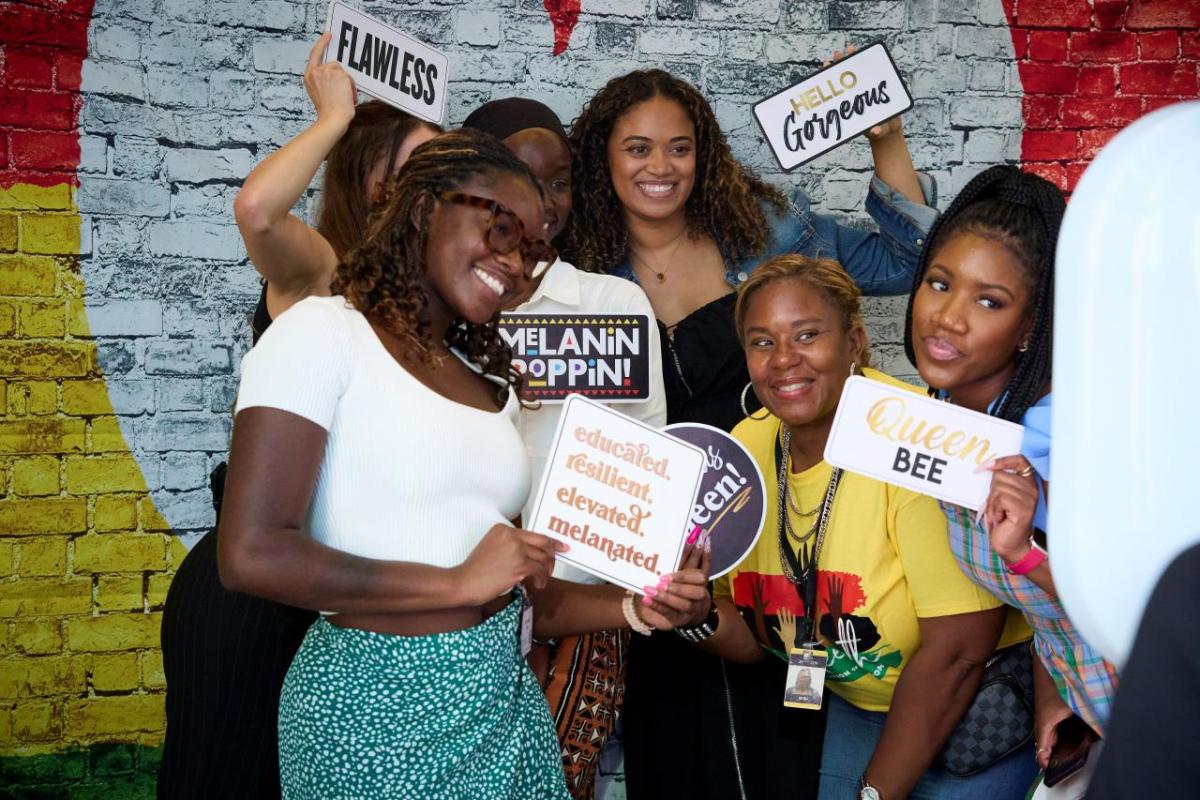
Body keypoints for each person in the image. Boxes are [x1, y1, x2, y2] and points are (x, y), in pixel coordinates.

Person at [216, 129, 709, 798]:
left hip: (502, 706)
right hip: (372, 710)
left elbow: (516, 588)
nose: (516, 263)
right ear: (424, 209)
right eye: (501, 229)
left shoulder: (487, 384)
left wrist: (641, 609)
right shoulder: (322, 333)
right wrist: (457, 584)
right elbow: (250, 553)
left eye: (533, 249)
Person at [564, 64, 939, 799]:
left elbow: (910, 260)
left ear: (703, 153)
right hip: (645, 565)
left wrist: (887, 139)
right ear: (603, 158)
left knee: (783, 748)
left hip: (774, 553)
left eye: (679, 147)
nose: (659, 167)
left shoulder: (770, 234)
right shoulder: (576, 276)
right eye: (637, 148)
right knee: (669, 754)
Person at [157, 34, 439, 800]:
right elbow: (256, 207)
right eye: (415, 168)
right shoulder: (322, 266)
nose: (433, 189)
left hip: (340, 597)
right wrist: (334, 118)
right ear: (367, 176)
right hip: (251, 598)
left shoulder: (429, 310)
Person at [684, 254, 1036, 798]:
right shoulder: (748, 449)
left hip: (976, 704)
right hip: (860, 703)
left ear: (853, 342)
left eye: (806, 336)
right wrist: (698, 616)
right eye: (762, 342)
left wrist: (874, 792)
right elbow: (757, 639)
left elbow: (960, 652)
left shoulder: (913, 437)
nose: (783, 361)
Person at [462, 97, 666, 800]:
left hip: (583, 600)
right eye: (522, 178)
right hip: (460, 605)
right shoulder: (445, 308)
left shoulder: (614, 302)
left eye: (559, 182)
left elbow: (649, 459)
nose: (543, 203)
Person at [904, 166, 1118, 776]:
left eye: (988, 301)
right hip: (1093, 719)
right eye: (940, 284)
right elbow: (1045, 616)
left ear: (1030, 327)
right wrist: (1056, 694)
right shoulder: (941, 421)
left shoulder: (1068, 440)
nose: (948, 317)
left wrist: (1026, 554)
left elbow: (1142, 611)